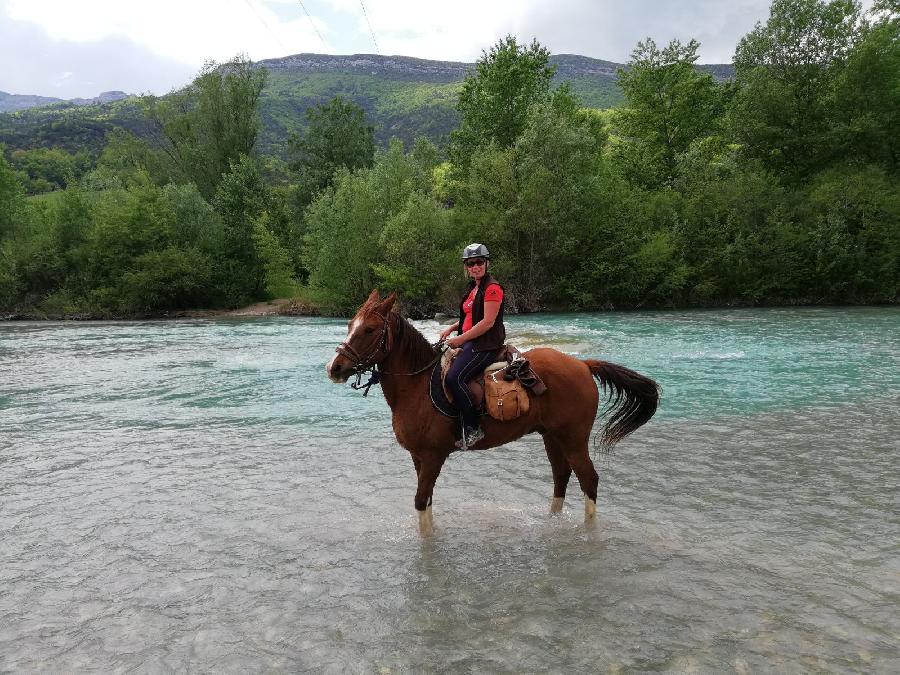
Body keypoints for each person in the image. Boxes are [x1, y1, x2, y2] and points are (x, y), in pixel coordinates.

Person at [439, 243, 506, 449]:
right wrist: (452, 328)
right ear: (466, 267)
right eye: (470, 263)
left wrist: (460, 339)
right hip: (471, 341)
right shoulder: (474, 288)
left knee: (454, 377)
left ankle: (473, 427)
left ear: (487, 263)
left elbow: (487, 322)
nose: (475, 267)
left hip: (485, 344)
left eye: (479, 262)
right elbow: (471, 317)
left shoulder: (492, 288)